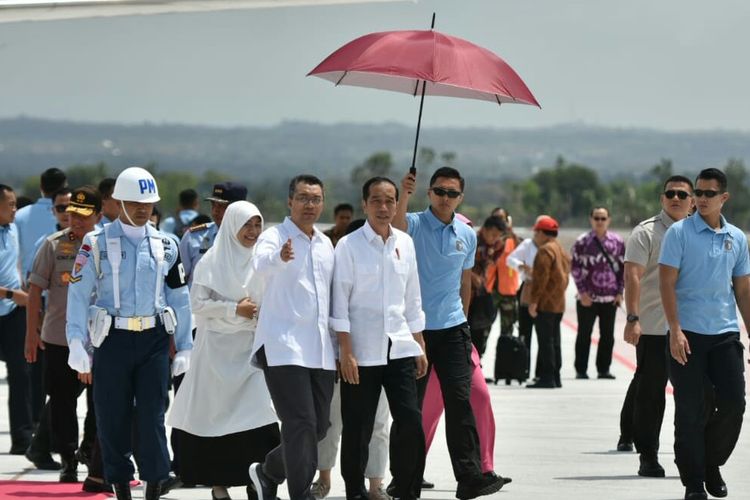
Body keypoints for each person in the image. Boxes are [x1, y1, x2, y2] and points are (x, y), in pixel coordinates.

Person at [66, 167, 193, 500]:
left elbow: (179, 297)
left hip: (153, 339)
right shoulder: (95, 244)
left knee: (153, 414)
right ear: (118, 202)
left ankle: (155, 484)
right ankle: (120, 487)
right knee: (111, 415)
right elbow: (78, 295)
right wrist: (75, 341)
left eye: (149, 203)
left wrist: (185, 348)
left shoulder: (168, 244)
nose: (143, 209)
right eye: (135, 202)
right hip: (112, 340)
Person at [395, 167, 509, 499]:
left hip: (454, 329)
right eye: (439, 191)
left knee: (461, 404)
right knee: (410, 410)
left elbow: (465, 282)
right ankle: (405, 482)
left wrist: (465, 322)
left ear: (461, 197)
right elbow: (396, 226)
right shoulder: (414, 223)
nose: (445, 198)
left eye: (452, 193)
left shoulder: (467, 233)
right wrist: (404, 193)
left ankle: (470, 476)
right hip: (416, 331)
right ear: (429, 193)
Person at [168, 201, 280, 500]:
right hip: (216, 353)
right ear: (232, 225)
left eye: (257, 225)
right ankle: (218, 486)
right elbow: (197, 304)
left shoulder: (262, 260)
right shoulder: (212, 261)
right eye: (247, 225)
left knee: (258, 415)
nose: (253, 232)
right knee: (214, 418)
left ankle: (259, 481)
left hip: (251, 353)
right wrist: (234, 309)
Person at [331, 177, 428, 500]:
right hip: (361, 352)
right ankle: (355, 490)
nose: (384, 207)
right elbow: (340, 303)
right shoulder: (349, 245)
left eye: (390, 200)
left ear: (398, 203)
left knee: (411, 423)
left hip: (400, 346)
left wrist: (419, 343)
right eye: (377, 201)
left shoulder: (405, 243)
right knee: (357, 427)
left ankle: (407, 488)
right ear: (365, 204)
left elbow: (413, 299)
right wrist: (345, 350)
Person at [659, 168, 750, 500]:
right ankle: (694, 481)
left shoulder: (737, 238)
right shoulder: (680, 233)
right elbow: (666, 283)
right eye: (697, 192)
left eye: (709, 193)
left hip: (725, 332)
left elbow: (743, 291)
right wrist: (675, 330)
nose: (700, 198)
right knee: (690, 409)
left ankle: (711, 463)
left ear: (723, 197)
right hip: (688, 334)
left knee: (733, 404)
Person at [248, 175, 336, 500]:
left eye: (315, 199)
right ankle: (301, 494)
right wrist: (278, 258)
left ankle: (268, 471)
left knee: (318, 427)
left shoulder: (326, 245)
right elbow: (259, 265)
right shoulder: (275, 236)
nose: (309, 205)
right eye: (303, 198)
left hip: (322, 350)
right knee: (300, 423)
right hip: (282, 345)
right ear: (290, 201)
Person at [24, 186, 104, 485]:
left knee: (100, 402)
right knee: (61, 403)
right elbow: (35, 290)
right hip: (59, 338)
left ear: (97, 215)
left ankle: (90, 448)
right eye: (72, 214)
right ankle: (68, 458)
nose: (76, 220)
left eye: (84, 215)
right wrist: (31, 334)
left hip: (100, 340)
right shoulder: (53, 245)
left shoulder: (108, 246)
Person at [615, 176, 694, 476]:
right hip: (654, 329)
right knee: (651, 394)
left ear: (691, 200)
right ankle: (648, 455)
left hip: (691, 328)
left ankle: (689, 455)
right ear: (662, 199)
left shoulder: (697, 233)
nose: (676, 198)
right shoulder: (646, 233)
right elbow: (632, 276)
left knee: (696, 396)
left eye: (682, 194)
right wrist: (632, 318)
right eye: (670, 193)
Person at [313, 217, 391, 500]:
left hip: (378, 358)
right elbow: (329, 317)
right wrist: (335, 355)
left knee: (379, 423)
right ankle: (324, 478)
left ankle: (375, 483)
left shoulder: (387, 266)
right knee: (333, 422)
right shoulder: (336, 267)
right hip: (340, 360)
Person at [571, 207, 625, 379]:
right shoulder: (582, 242)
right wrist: (582, 292)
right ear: (591, 219)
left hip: (610, 298)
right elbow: (575, 268)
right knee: (584, 335)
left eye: (603, 218)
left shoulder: (617, 242)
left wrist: (620, 292)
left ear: (609, 220)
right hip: (588, 298)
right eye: (596, 218)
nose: (600, 221)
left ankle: (603, 369)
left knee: (607, 336)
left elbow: (623, 268)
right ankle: (581, 369)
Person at [0, 184, 33, 456]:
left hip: (14, 312)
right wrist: (12, 293)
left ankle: (22, 438)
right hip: (11, 300)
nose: (15, 209)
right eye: (10, 205)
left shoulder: (13, 229)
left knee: (21, 375)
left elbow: (17, 263)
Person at [526, 216, 570, 389]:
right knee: (555, 341)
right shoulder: (560, 249)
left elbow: (540, 279)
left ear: (543, 233)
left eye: (536, 232)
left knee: (546, 342)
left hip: (546, 303)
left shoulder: (545, 250)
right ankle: (556, 377)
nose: (535, 236)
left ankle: (547, 377)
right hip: (559, 303)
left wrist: (534, 302)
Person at [179, 182, 247, 285]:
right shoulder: (193, 237)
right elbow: (179, 278)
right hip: (197, 300)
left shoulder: (251, 240)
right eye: (213, 205)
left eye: (222, 206)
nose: (215, 211)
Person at [14, 167, 67, 285]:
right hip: (61, 288)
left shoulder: (20, 215)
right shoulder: (72, 218)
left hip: (27, 287)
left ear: (41, 187)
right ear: (64, 188)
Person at [507, 219, 540, 380]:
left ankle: (541, 373)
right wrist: (521, 266)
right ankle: (523, 369)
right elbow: (510, 259)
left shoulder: (551, 246)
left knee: (544, 335)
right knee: (525, 333)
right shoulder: (528, 244)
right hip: (527, 289)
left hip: (544, 292)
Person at [467, 216, 503, 356]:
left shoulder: (493, 246)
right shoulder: (472, 241)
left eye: (498, 236)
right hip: (466, 295)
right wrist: (471, 276)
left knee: (479, 334)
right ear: (485, 229)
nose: (495, 238)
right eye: (493, 234)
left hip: (480, 294)